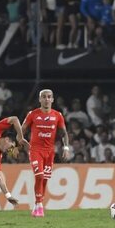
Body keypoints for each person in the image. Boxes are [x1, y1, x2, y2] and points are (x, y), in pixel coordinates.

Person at [22, 89, 69, 217]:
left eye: (49, 97)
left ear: (52, 100)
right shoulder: (33, 114)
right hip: (35, 150)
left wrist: (66, 148)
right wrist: (22, 141)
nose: (46, 99)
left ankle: (37, 205)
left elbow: (64, 133)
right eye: (44, 97)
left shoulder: (58, 115)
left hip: (50, 152)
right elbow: (22, 130)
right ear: (40, 99)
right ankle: (40, 206)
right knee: (39, 175)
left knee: (45, 179)